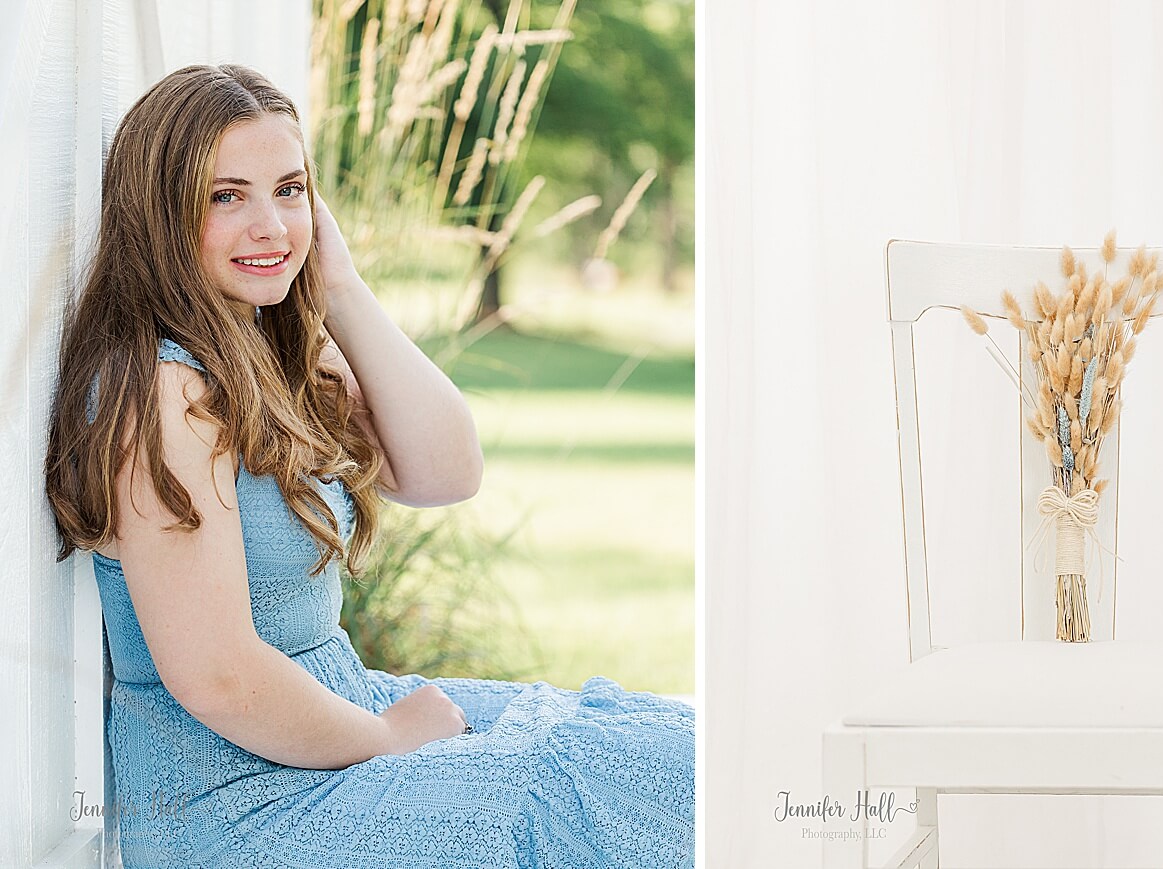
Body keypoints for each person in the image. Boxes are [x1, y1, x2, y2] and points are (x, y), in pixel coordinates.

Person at [43, 63, 694, 868]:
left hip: (330, 726)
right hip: (237, 805)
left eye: (289, 190)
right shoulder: (162, 390)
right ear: (160, 214)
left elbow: (446, 469)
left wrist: (340, 287)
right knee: (590, 789)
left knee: (644, 746)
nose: (270, 224)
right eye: (226, 196)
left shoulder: (265, 346)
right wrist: (388, 739)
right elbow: (217, 674)